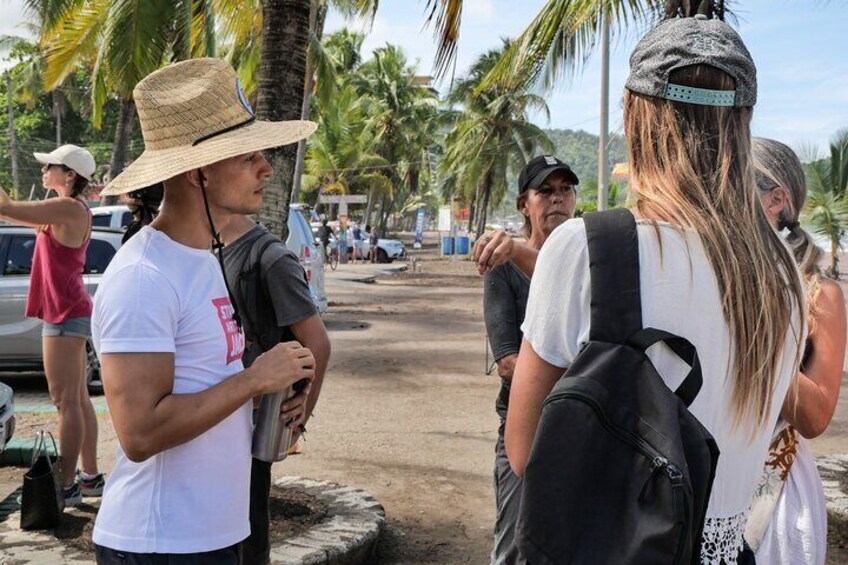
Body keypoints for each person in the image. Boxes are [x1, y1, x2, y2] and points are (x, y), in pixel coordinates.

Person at [478, 15, 806, 564]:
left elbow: (524, 450)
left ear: (634, 114)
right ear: (742, 122)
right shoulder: (784, 273)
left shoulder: (590, 249)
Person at [89, 58, 317, 564]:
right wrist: (253, 381)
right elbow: (140, 433)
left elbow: (200, 383)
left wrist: (266, 401)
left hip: (211, 533)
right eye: (247, 156)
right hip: (160, 544)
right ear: (199, 173)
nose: (266, 167)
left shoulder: (201, 256)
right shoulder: (143, 278)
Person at [745, 138, 846, 564]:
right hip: (705, 476)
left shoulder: (819, 293)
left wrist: (753, 343)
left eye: (735, 183)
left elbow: (816, 415)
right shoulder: (707, 272)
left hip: (774, 492)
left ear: (776, 200)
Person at [483, 155, 578, 564]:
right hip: (528, 425)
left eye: (565, 190)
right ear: (525, 204)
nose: (557, 199)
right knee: (514, 542)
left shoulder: (587, 261)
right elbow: (507, 360)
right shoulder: (504, 267)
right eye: (545, 191)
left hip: (583, 426)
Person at [221, 214, 331, 565]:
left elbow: (317, 344)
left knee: (247, 537)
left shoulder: (270, 257)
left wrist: (299, 415)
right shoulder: (203, 247)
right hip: (212, 418)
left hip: (251, 424)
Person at [0, 144, 103, 506]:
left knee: (64, 400)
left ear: (70, 175)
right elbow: (13, 214)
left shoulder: (67, 207)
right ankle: (89, 477)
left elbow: (5, 207)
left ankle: (67, 482)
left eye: (50, 166)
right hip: (69, 310)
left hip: (64, 314)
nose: (44, 171)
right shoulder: (67, 209)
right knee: (77, 399)